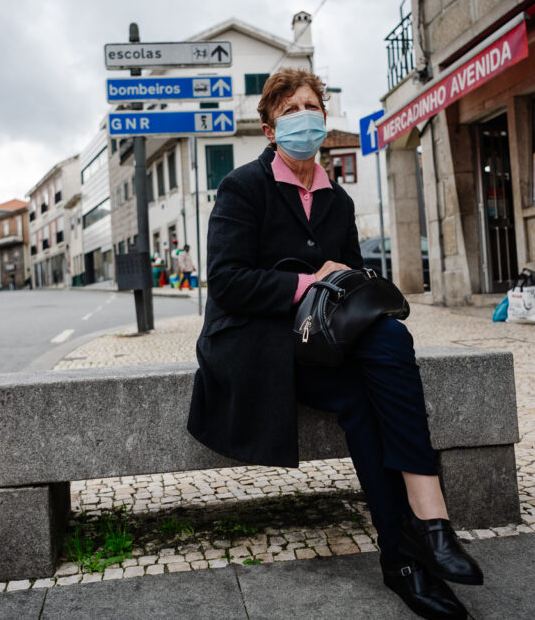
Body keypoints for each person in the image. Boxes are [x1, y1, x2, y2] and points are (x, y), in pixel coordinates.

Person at [187, 68, 482, 619]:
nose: (304, 117)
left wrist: (340, 283)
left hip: (318, 337)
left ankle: (411, 551)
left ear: (324, 120)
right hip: (254, 341)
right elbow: (226, 281)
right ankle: (426, 530)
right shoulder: (243, 188)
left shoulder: (337, 201)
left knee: (385, 349)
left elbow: (351, 278)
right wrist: (310, 281)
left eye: (311, 107)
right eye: (290, 109)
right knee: (374, 371)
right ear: (271, 129)